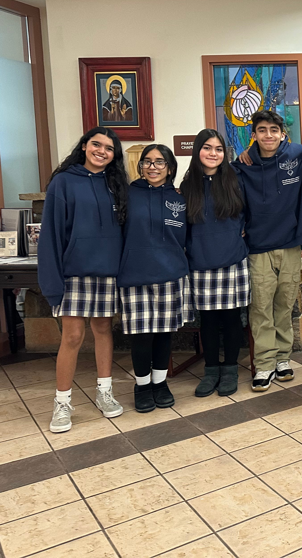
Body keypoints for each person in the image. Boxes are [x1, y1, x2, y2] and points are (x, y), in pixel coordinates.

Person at [39, 127, 129, 433]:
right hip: (74, 272)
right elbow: (51, 235)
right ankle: (62, 402)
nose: (102, 151)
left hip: (108, 272)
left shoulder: (117, 184)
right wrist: (53, 282)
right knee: (73, 337)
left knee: (103, 330)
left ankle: (105, 391)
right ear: (84, 146)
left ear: (114, 155)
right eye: (96, 144)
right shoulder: (63, 182)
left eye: (109, 148)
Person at [233, 110, 302, 391]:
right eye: (262, 130)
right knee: (261, 307)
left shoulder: (297, 154)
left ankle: (283, 359)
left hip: (289, 245)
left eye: (273, 130)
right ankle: (264, 364)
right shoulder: (242, 165)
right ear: (253, 134)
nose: (268, 135)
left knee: (284, 305)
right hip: (258, 248)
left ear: (282, 134)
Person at [119, 144, 191, 413]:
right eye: (147, 162)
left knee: (164, 332)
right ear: (140, 166)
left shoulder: (180, 198)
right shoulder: (128, 194)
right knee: (141, 335)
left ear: (170, 168)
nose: (153, 167)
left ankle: (160, 383)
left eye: (160, 162)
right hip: (135, 273)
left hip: (171, 272)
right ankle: (142, 386)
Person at [182, 129, 249, 398]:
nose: (213, 153)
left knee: (232, 318)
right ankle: (211, 370)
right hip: (200, 261)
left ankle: (230, 369)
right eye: (207, 148)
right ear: (197, 151)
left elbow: (250, 214)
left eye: (218, 149)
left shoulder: (236, 179)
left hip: (232, 259)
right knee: (208, 320)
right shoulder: (187, 186)